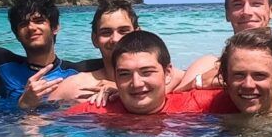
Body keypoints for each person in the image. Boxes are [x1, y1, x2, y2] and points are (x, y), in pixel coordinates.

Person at [66, 31, 233, 115]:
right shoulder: (93, 114)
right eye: (124, 74)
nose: (136, 83)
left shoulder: (199, 105)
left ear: (167, 73)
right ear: (114, 78)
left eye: (146, 72)